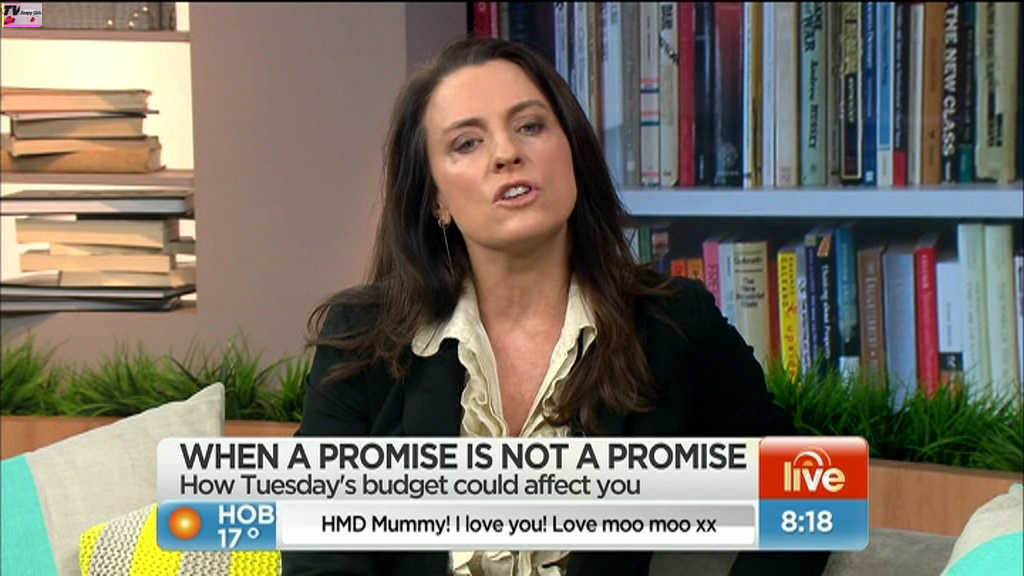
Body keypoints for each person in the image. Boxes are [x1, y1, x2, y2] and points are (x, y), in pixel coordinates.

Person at [283, 36, 830, 576]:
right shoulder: (364, 342)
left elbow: (814, 490)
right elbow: (320, 559)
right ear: (436, 200)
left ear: (572, 154)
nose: (507, 153)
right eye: (467, 143)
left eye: (530, 126)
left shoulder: (670, 327)